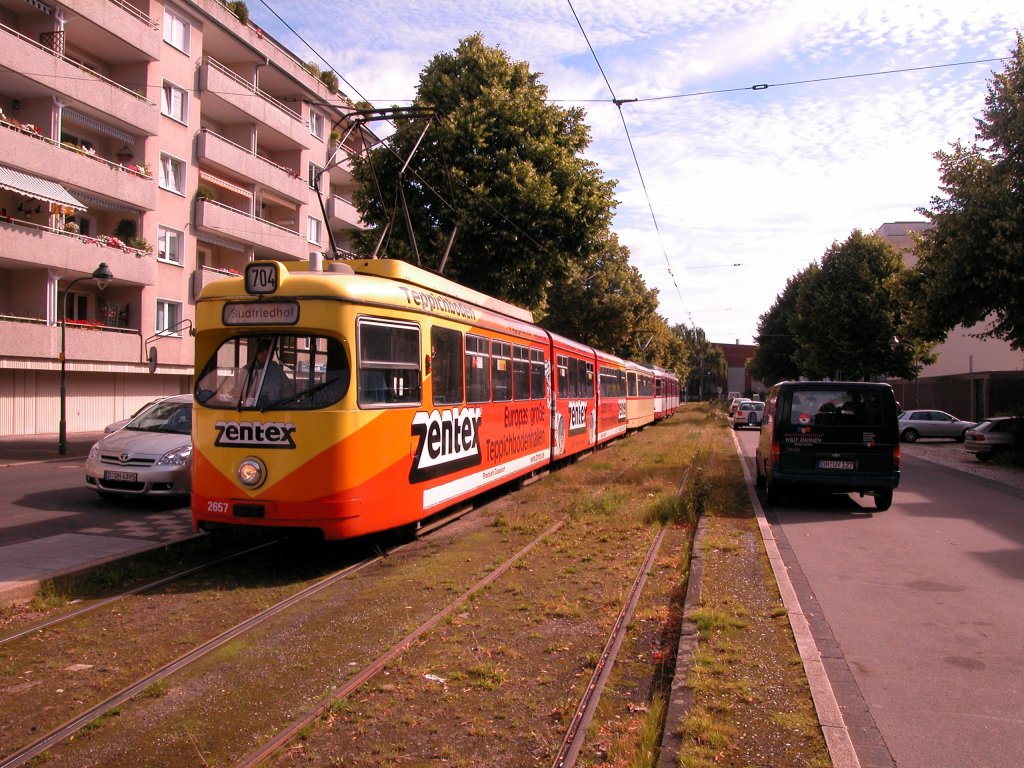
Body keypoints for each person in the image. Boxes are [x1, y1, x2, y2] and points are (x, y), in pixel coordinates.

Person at [237, 338, 293, 407]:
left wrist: (289, 402)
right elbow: (243, 395)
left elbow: (287, 388)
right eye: (267, 355)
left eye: (272, 354)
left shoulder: (276, 368)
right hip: (256, 408)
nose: (271, 357)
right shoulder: (247, 370)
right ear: (258, 353)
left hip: (277, 407)